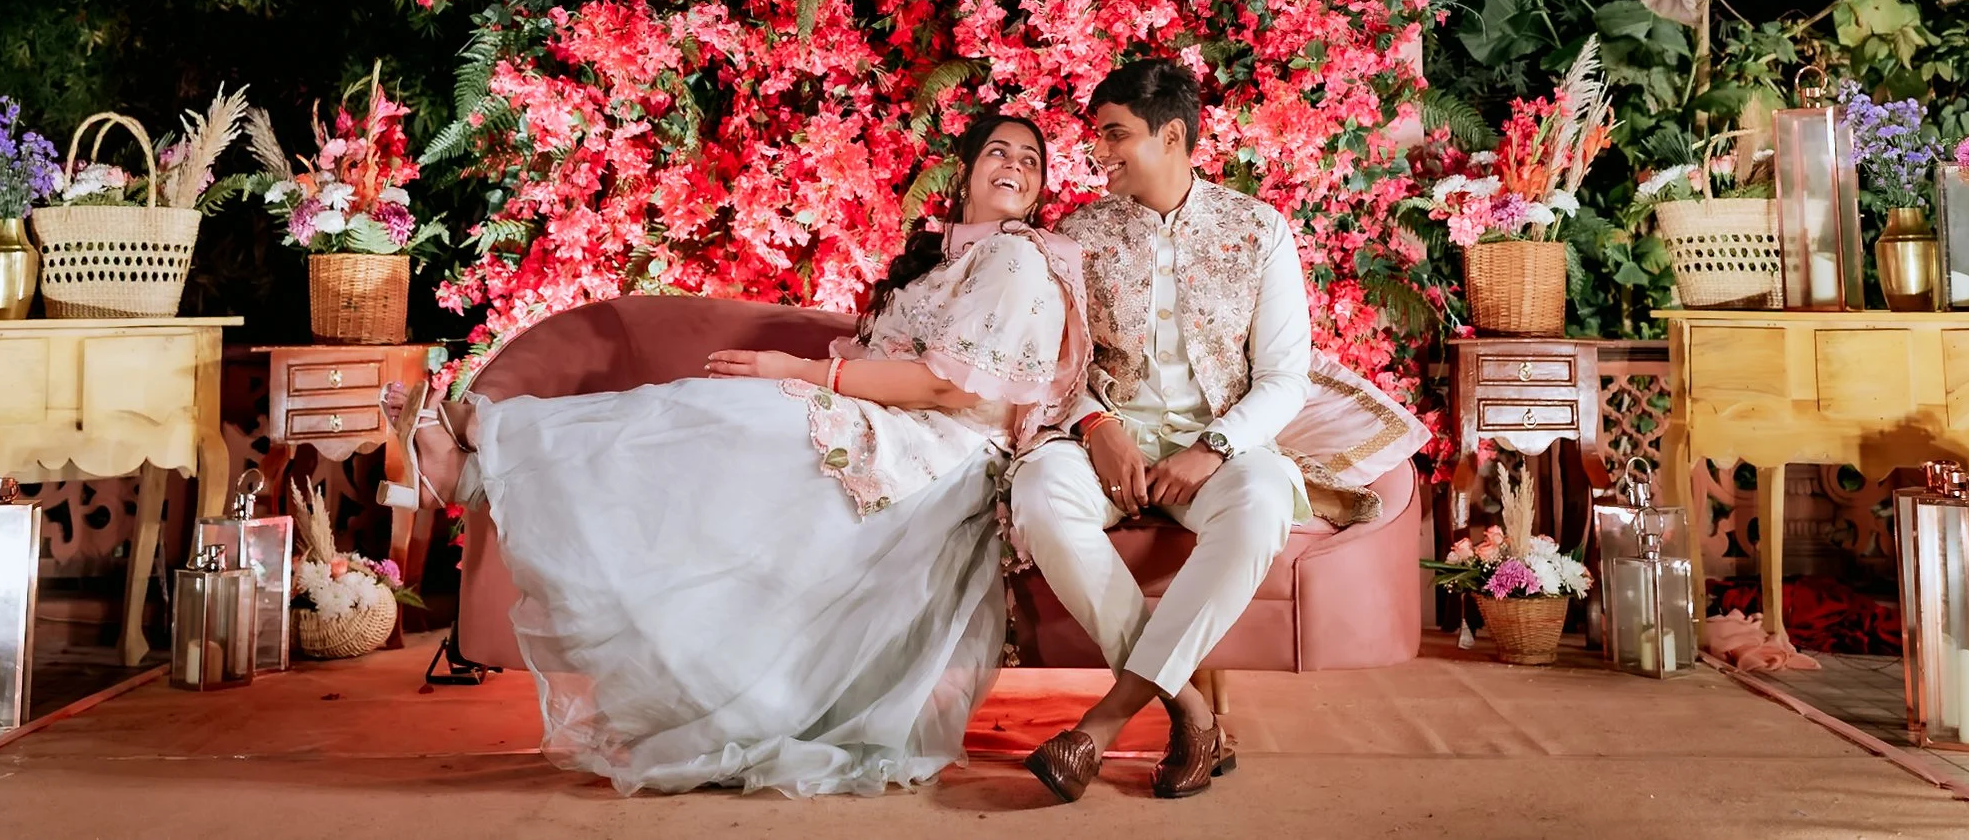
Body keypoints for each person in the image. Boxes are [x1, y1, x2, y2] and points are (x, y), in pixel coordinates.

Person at [380, 113, 1089, 798]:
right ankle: (480, 452)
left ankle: (482, 439)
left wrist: (807, 372)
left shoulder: (1019, 257)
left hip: (941, 454)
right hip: (888, 423)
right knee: (716, 420)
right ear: (965, 170)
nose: (1016, 167)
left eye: (1031, 161)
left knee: (742, 411)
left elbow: (945, 384)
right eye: (1000, 151)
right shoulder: (946, 257)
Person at [1010, 57, 1313, 803]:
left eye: (1115, 134)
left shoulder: (1258, 229)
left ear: (1172, 134)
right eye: (1097, 136)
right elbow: (1050, 363)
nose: (1099, 151)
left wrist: (1213, 448)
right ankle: (1192, 710)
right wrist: (1095, 424)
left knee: (1263, 508)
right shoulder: (1078, 233)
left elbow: (1285, 377)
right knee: (1041, 493)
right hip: (1107, 443)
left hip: (1218, 447)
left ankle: (1103, 725)